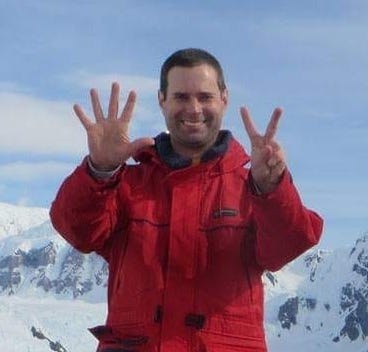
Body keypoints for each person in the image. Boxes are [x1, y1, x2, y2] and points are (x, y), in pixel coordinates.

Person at [50, 48, 323, 352]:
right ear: (162, 100)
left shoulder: (252, 187)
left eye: (205, 97)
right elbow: (79, 231)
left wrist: (272, 190)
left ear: (224, 98)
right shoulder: (128, 185)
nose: (194, 109)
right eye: (181, 97)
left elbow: (285, 247)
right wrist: (99, 170)